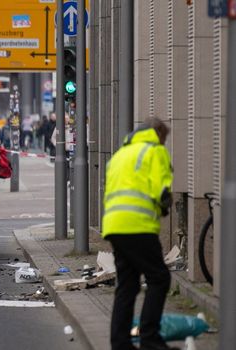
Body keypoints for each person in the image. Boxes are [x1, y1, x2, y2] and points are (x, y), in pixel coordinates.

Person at [102, 119, 174, 350]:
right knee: (159, 278)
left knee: (127, 284)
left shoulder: (121, 154)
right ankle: (150, 339)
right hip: (138, 225)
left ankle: (120, 343)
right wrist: (164, 206)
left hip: (114, 225)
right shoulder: (155, 151)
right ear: (158, 134)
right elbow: (161, 190)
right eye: (165, 138)